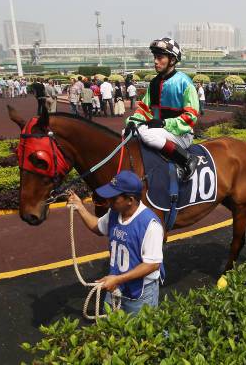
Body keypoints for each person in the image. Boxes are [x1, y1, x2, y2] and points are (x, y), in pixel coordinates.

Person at [67, 171, 164, 315]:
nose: (109, 201)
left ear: (130, 200)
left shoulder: (150, 224)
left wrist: (118, 279)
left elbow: (152, 264)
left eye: (114, 198)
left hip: (140, 293)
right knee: (113, 329)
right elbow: (98, 227)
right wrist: (80, 207)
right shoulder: (115, 213)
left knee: (142, 334)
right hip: (116, 285)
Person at [125, 37, 199, 181]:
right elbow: (144, 110)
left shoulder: (184, 82)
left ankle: (188, 159)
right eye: (154, 57)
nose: (155, 61)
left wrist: (165, 123)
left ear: (172, 60)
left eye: (160, 57)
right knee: (127, 132)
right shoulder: (154, 83)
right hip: (160, 131)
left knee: (148, 135)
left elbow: (191, 116)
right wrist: (132, 121)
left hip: (182, 134)